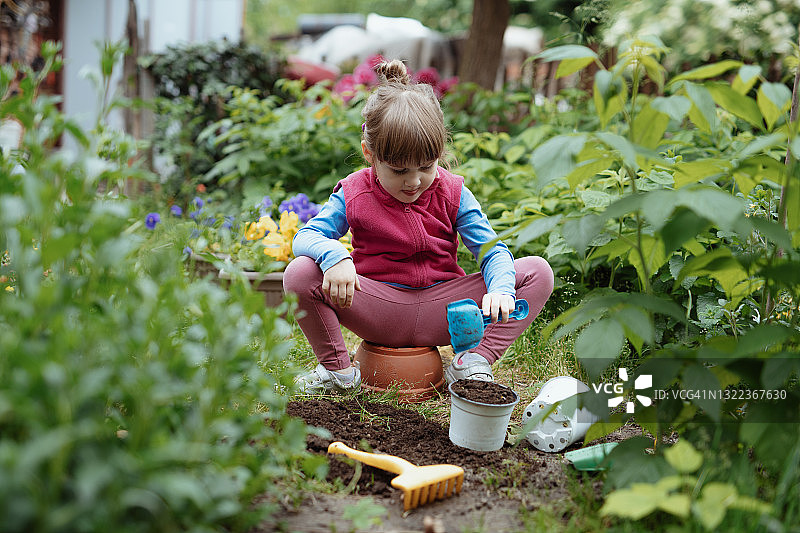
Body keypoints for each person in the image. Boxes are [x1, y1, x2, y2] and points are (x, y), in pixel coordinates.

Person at [283, 59, 554, 394]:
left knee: (536, 271)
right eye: (398, 171)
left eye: (426, 166)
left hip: (446, 313)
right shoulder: (354, 192)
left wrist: (500, 290)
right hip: (377, 307)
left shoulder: (453, 191)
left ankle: (472, 362)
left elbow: (492, 251)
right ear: (370, 153)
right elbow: (306, 236)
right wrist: (335, 256)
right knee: (299, 272)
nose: (414, 182)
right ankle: (338, 372)